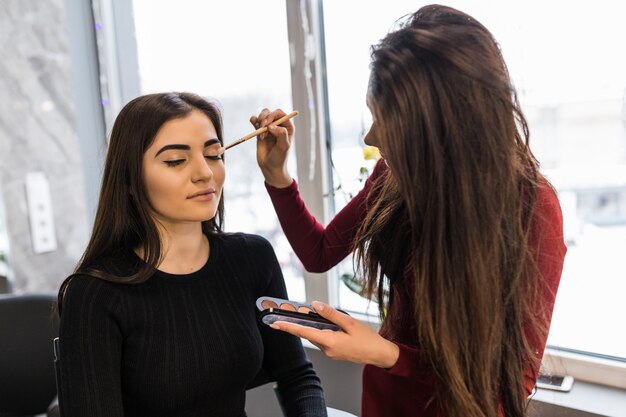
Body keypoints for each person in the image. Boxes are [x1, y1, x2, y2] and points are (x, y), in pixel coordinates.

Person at [251, 5, 566, 417]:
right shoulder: (396, 176)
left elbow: (510, 385)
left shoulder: (532, 209)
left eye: (387, 124)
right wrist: (277, 175)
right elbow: (320, 253)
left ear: (440, 128)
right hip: (384, 402)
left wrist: (388, 354)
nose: (371, 137)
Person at [56, 92, 327, 417]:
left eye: (214, 154)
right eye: (175, 161)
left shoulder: (253, 258)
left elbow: (297, 375)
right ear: (130, 179)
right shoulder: (95, 295)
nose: (205, 173)